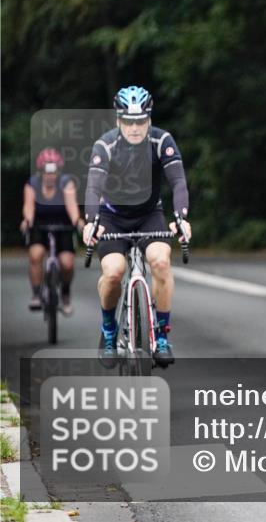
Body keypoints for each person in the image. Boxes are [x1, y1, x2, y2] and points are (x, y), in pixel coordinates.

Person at [82, 86, 192, 368]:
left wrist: (181, 217)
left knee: (161, 262)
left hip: (148, 215)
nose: (134, 127)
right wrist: (91, 222)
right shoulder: (105, 145)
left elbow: (178, 182)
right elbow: (93, 188)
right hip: (111, 216)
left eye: (140, 121)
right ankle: (108, 332)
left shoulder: (161, 140)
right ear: (119, 120)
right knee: (114, 272)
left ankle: (162, 335)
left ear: (149, 119)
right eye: (128, 122)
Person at [21, 149, 83, 315]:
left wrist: (77, 222)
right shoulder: (32, 184)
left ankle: (65, 293)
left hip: (63, 226)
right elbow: (28, 207)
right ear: (41, 172)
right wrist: (27, 221)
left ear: (58, 171)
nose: (50, 176)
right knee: (35, 255)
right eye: (47, 172)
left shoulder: (66, 183)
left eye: (53, 172)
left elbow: (72, 206)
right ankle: (35, 293)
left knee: (67, 263)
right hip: (40, 226)